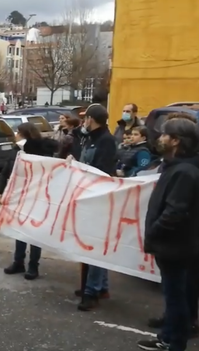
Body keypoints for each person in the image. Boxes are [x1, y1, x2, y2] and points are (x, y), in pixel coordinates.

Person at [136, 118, 199, 351]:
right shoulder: (177, 167)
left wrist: (155, 232)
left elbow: (174, 212)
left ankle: (174, 343)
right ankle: (168, 336)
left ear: (176, 141)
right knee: (176, 295)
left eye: (164, 135)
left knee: (176, 298)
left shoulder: (184, 172)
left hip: (175, 246)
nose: (160, 138)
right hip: (175, 245)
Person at [0, 122, 57, 280]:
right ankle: (19, 261)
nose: (15, 135)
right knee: (20, 230)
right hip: (20, 195)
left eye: (18, 132)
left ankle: (33, 265)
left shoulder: (42, 151)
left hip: (38, 196)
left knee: (34, 231)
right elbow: (6, 171)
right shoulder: (16, 151)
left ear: (25, 134)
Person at [75, 104, 118, 311]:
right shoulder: (92, 138)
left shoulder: (106, 141)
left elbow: (102, 171)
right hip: (88, 196)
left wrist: (80, 169)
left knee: (93, 246)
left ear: (91, 119)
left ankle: (91, 291)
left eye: (85, 118)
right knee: (90, 245)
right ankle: (99, 287)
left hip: (97, 199)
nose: (83, 122)